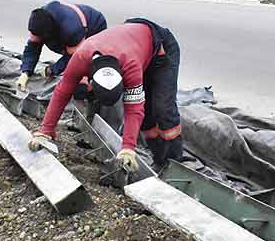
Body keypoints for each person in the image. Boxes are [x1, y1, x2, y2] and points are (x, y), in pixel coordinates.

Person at [27, 18, 183, 172]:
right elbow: (61, 93)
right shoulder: (81, 58)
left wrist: (128, 148)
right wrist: (45, 131)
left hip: (161, 48)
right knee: (148, 116)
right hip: (132, 40)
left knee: (163, 108)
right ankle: (159, 161)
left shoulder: (131, 67)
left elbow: (134, 108)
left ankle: (174, 164)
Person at [17, 1, 107, 91]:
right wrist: (26, 71)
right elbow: (32, 47)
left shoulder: (71, 30)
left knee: (82, 63)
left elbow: (72, 57)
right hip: (65, 29)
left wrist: (52, 70)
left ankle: (89, 84)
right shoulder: (39, 20)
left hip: (95, 26)